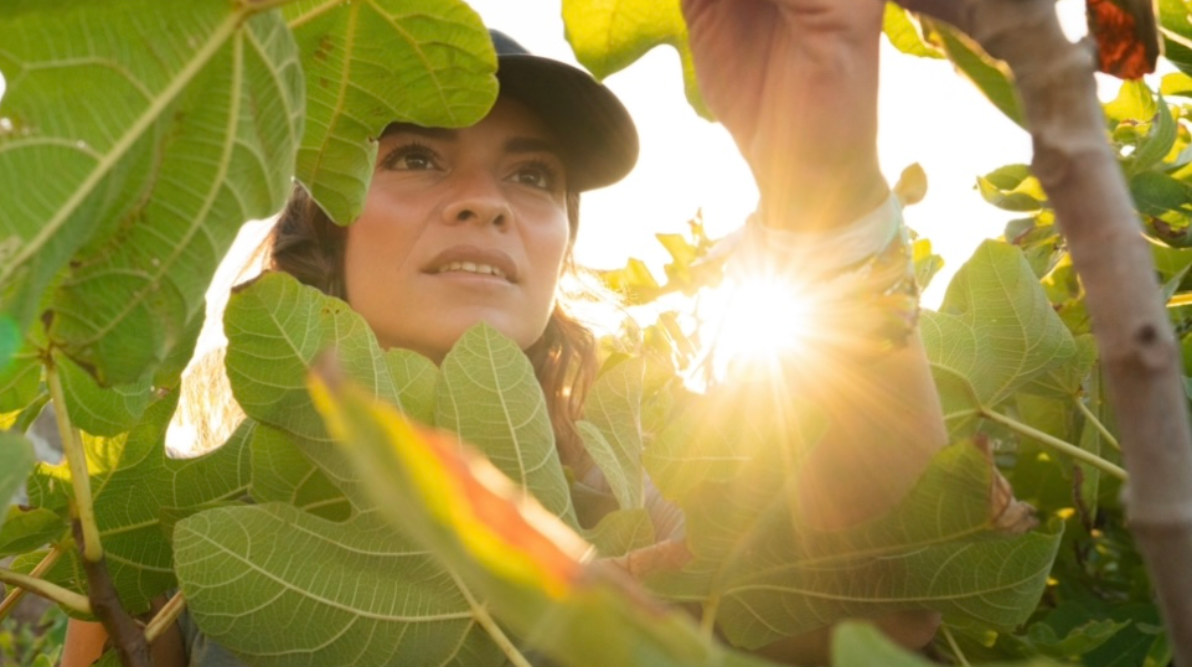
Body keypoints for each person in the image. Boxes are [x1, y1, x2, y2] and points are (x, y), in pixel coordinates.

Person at [64, 1, 947, 664]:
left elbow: (886, 611)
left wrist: (823, 190)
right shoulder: (171, 543)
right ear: (327, 218)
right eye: (415, 157)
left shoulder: (632, 499)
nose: (486, 200)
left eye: (532, 175)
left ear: (562, 242)